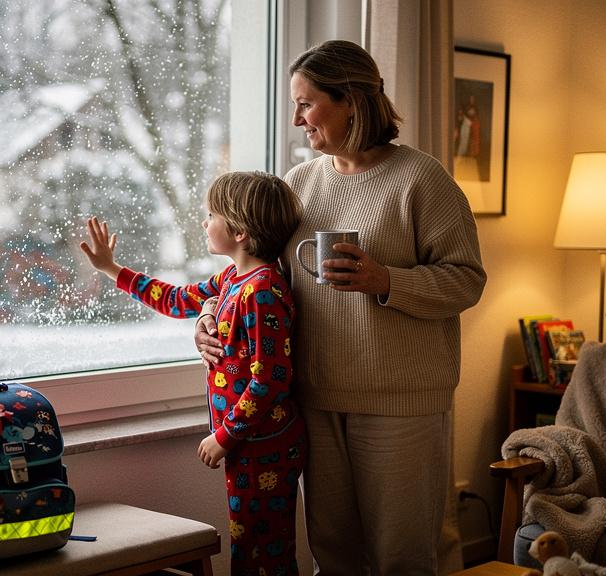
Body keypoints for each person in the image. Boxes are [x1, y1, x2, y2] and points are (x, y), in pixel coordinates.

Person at [195, 40, 487, 575]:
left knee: (402, 557)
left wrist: (386, 280)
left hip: (401, 401)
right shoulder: (299, 184)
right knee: (333, 553)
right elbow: (253, 274)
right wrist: (209, 315)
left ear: (350, 100)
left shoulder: (423, 180)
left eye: (306, 103)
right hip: (315, 398)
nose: (297, 119)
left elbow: (467, 281)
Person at [79, 171, 308, 576]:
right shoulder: (234, 280)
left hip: (263, 444)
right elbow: (176, 299)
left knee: (261, 551)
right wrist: (112, 269)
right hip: (248, 443)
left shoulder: (262, 291)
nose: (204, 222)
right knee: (249, 542)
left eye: (211, 215)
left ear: (238, 231)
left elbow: (270, 380)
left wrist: (225, 435)